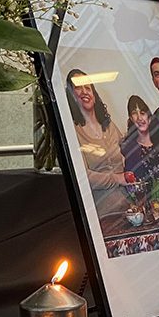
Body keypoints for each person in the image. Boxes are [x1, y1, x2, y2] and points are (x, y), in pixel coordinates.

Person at [66, 68, 127, 218]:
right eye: (78, 88)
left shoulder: (108, 124)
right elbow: (82, 176)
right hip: (102, 214)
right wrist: (117, 178)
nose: (84, 91)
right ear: (71, 95)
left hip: (129, 204)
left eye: (88, 87)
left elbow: (127, 150)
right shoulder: (72, 131)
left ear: (94, 93)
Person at [120, 94, 159, 186]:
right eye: (134, 113)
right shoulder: (131, 150)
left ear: (149, 117)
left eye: (142, 113)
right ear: (131, 119)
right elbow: (134, 185)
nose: (139, 118)